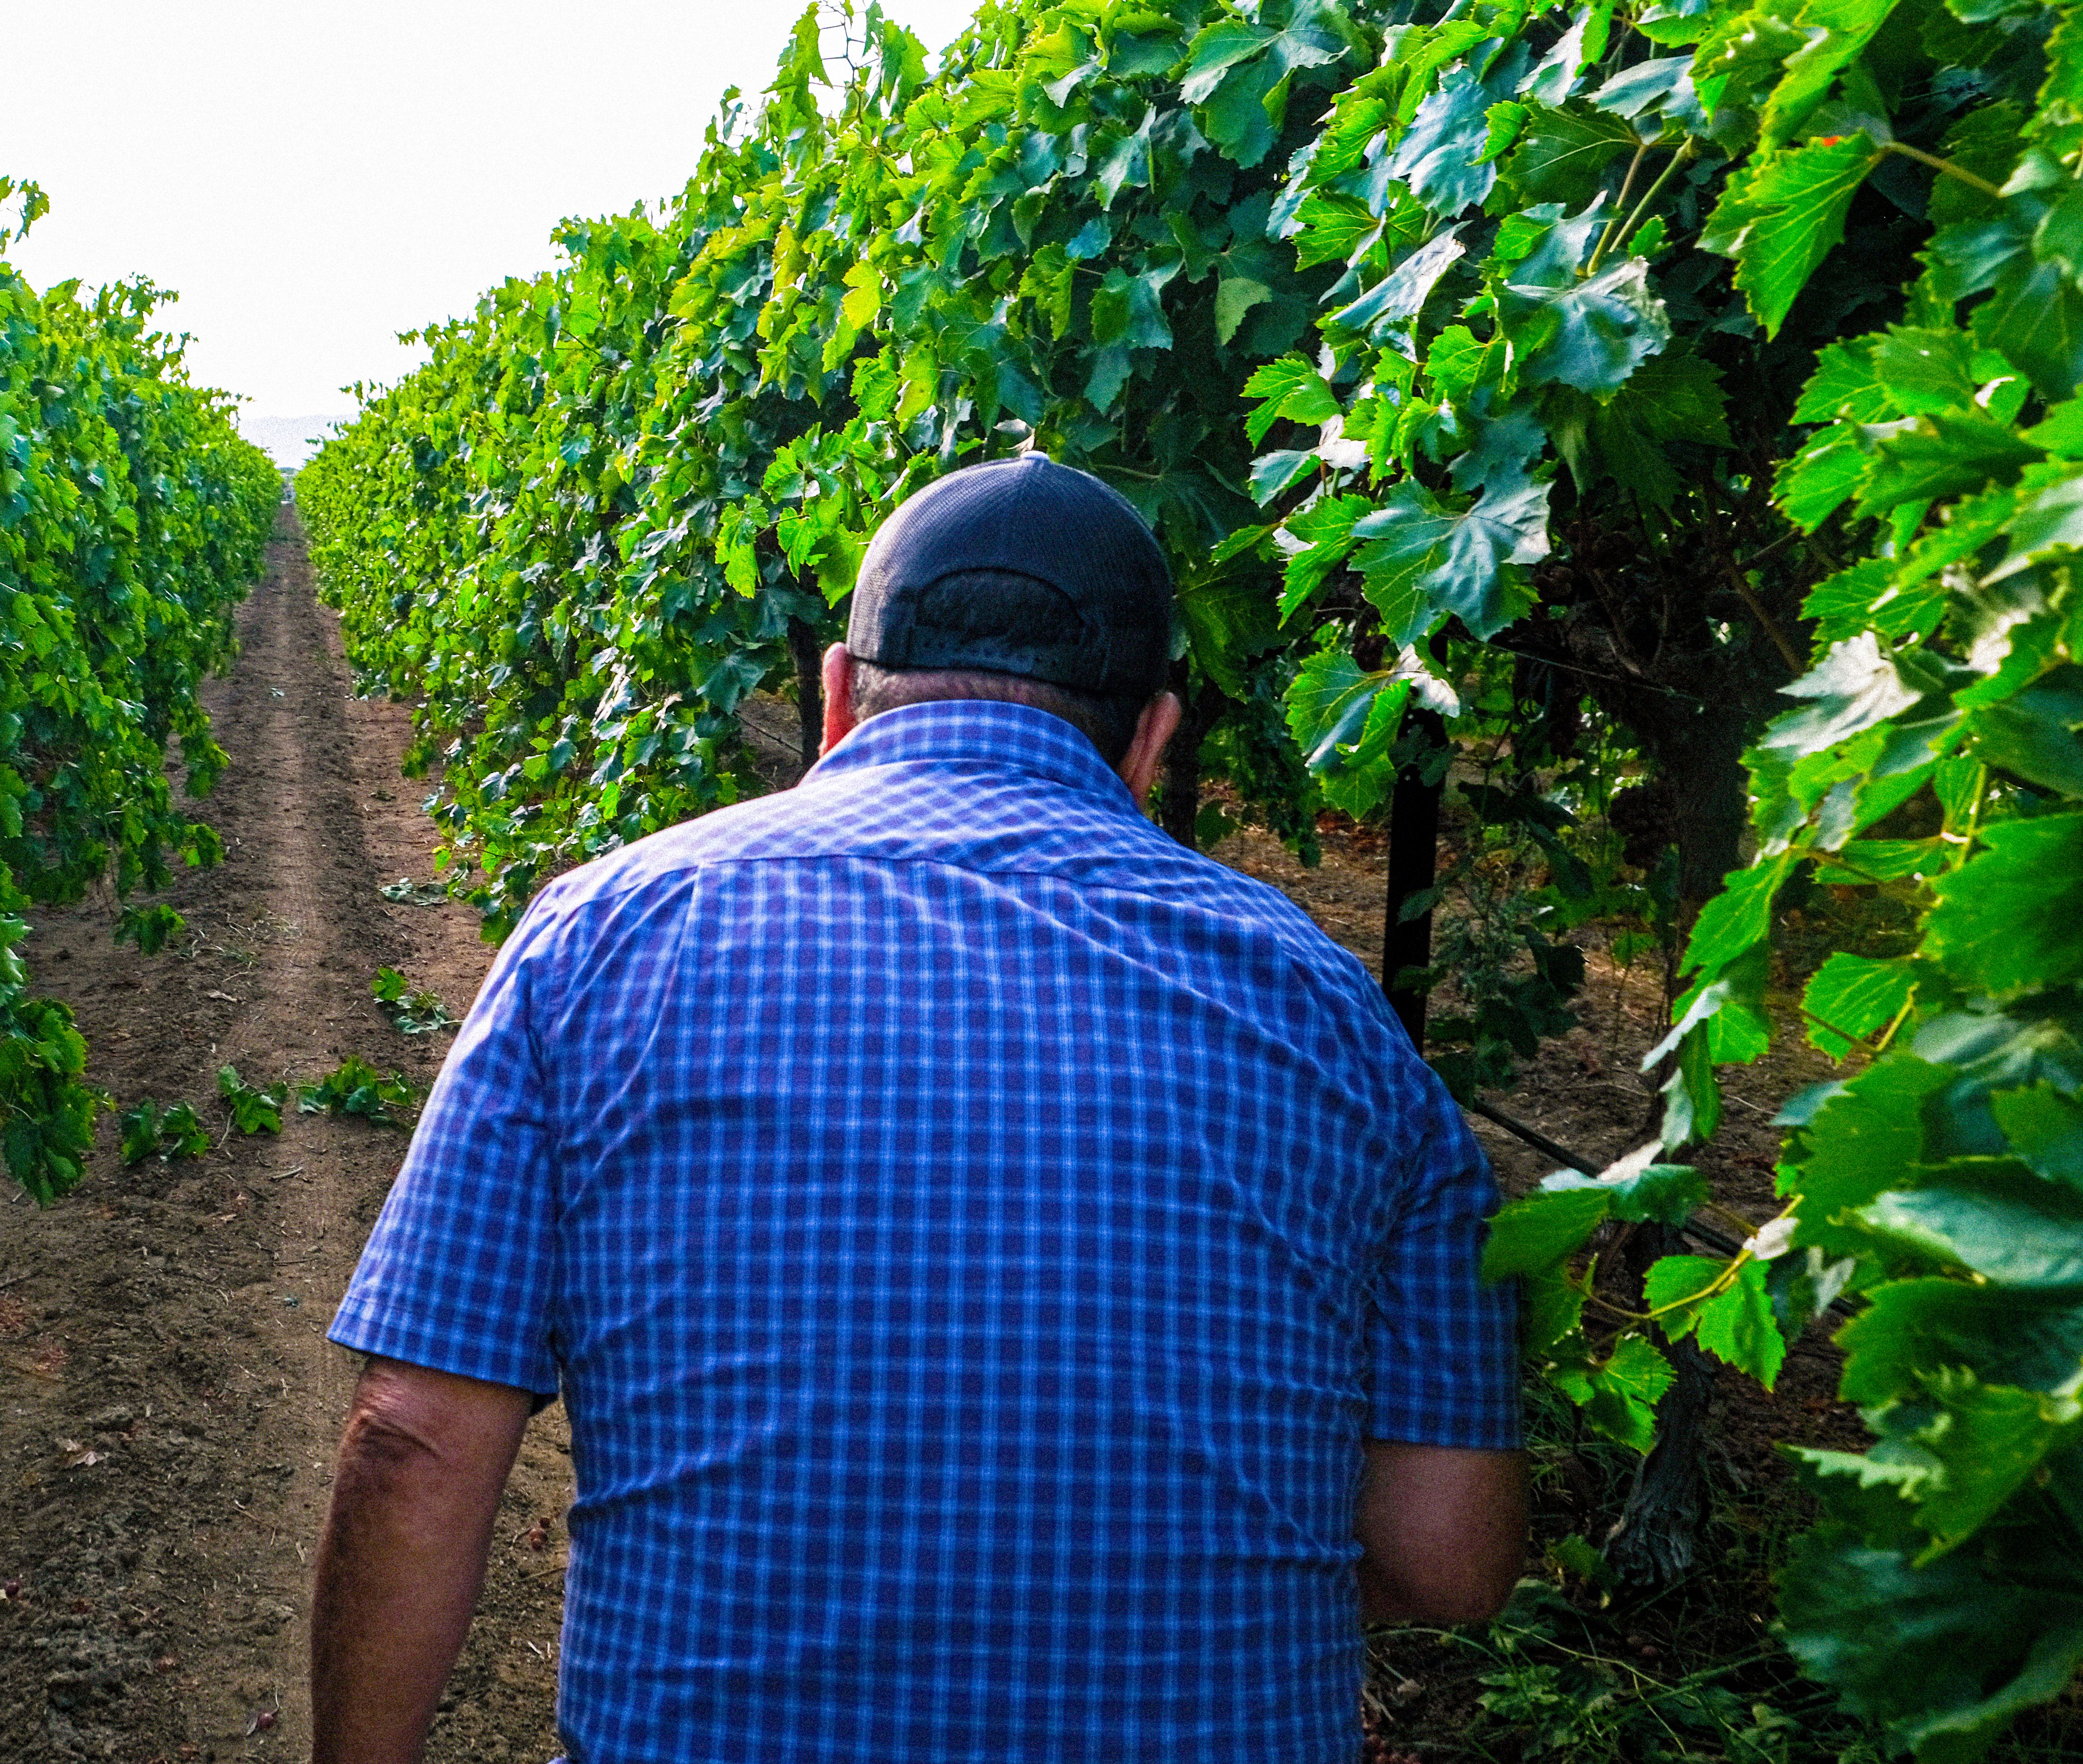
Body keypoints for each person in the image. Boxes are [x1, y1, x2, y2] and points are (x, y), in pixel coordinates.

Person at [307, 457, 1525, 1764]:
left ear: (836, 696)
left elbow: (414, 1443)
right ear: (1153, 736)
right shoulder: (1337, 1013)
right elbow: (1451, 1557)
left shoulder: (604, 935)